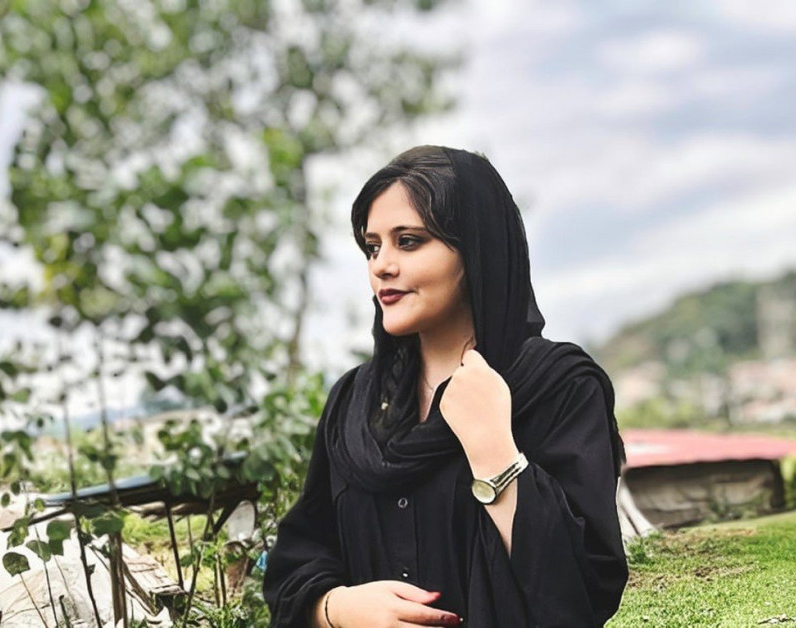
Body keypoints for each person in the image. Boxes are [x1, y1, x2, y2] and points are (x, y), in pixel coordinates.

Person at [263, 146, 628, 627]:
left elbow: (584, 590)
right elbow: (296, 561)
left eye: (408, 241)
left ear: (476, 250)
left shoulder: (556, 386)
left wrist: (496, 454)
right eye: (373, 247)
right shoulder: (354, 405)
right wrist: (337, 608)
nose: (381, 265)